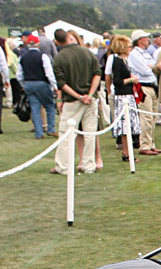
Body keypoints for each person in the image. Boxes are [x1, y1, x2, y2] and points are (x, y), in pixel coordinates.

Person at [52, 28, 102, 175]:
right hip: (90, 99)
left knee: (66, 134)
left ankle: (63, 166)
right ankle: (89, 165)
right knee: (90, 133)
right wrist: (90, 94)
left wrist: (79, 96)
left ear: (57, 41)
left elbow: (62, 84)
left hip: (73, 101)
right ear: (69, 37)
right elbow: (97, 74)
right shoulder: (87, 52)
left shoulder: (59, 57)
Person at [17, 33, 57, 139]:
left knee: (35, 108)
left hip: (28, 83)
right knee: (49, 106)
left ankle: (38, 132)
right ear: (38, 44)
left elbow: (19, 75)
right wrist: (54, 86)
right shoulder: (42, 56)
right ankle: (51, 129)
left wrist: (23, 85)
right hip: (41, 83)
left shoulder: (22, 57)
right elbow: (49, 73)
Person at [109, 35, 142, 162]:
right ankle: (126, 153)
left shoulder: (124, 61)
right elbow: (117, 81)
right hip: (123, 96)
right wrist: (131, 79)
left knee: (130, 125)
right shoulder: (117, 62)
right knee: (125, 126)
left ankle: (128, 152)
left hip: (128, 95)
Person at [128, 30, 160, 155]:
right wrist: (153, 67)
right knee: (146, 117)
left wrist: (152, 67)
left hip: (152, 86)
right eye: (146, 38)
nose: (148, 40)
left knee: (152, 117)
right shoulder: (134, 54)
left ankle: (150, 143)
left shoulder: (145, 53)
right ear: (140, 40)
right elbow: (145, 70)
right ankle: (145, 145)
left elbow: (152, 65)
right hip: (143, 86)